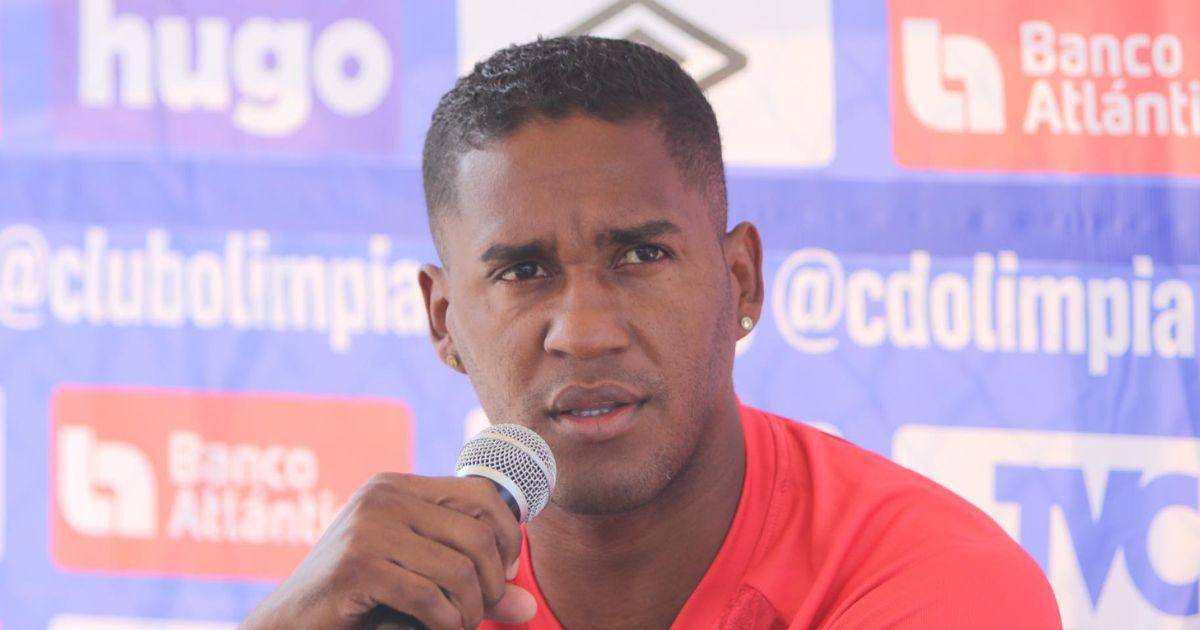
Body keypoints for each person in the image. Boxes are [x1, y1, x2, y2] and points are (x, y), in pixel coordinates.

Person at [243, 36, 1062, 630]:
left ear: (741, 281)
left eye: (641, 255)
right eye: (523, 271)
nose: (584, 332)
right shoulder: (400, 600)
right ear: (443, 322)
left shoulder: (934, 580)